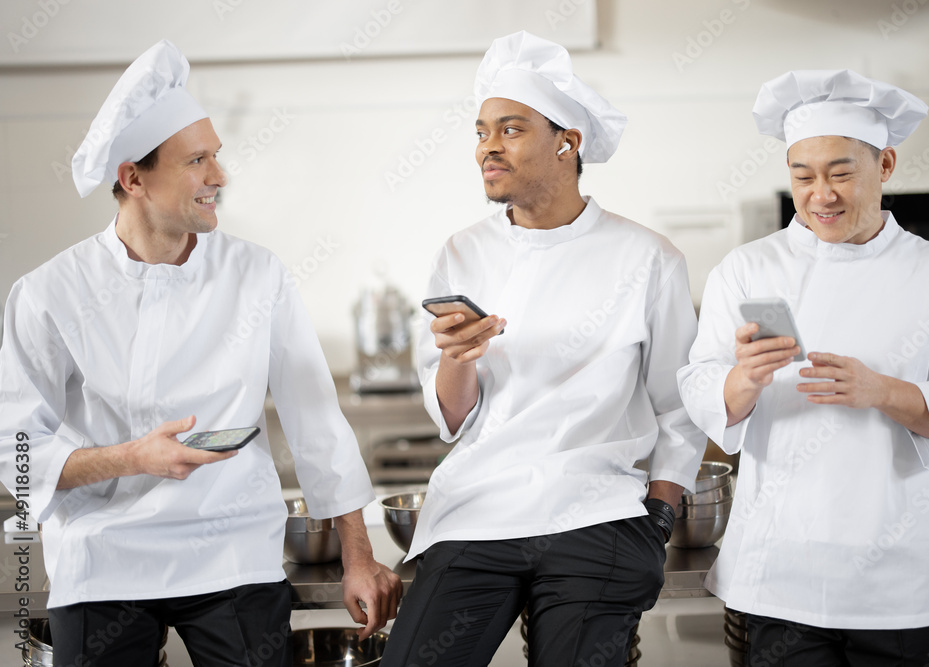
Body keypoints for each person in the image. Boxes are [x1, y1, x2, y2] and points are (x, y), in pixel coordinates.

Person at [0, 40, 401, 667]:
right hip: (103, 557)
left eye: (216, 156)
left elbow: (317, 422)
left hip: (231, 548)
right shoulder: (51, 293)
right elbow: (16, 454)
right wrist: (134, 458)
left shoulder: (258, 276)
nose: (219, 176)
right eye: (196, 161)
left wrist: (358, 557)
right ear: (133, 178)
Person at [379, 31, 706, 667]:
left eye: (510, 129)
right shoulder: (462, 253)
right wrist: (455, 357)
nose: (487, 148)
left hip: (599, 513)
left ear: (568, 142)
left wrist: (659, 518)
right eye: (480, 132)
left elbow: (678, 405)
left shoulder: (648, 259)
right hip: (480, 512)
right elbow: (451, 419)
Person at [678, 69, 929, 666]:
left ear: (886, 166)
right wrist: (743, 378)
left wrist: (882, 391)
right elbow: (699, 384)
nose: (820, 194)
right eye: (803, 176)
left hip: (897, 574)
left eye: (841, 173)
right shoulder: (748, 269)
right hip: (780, 571)